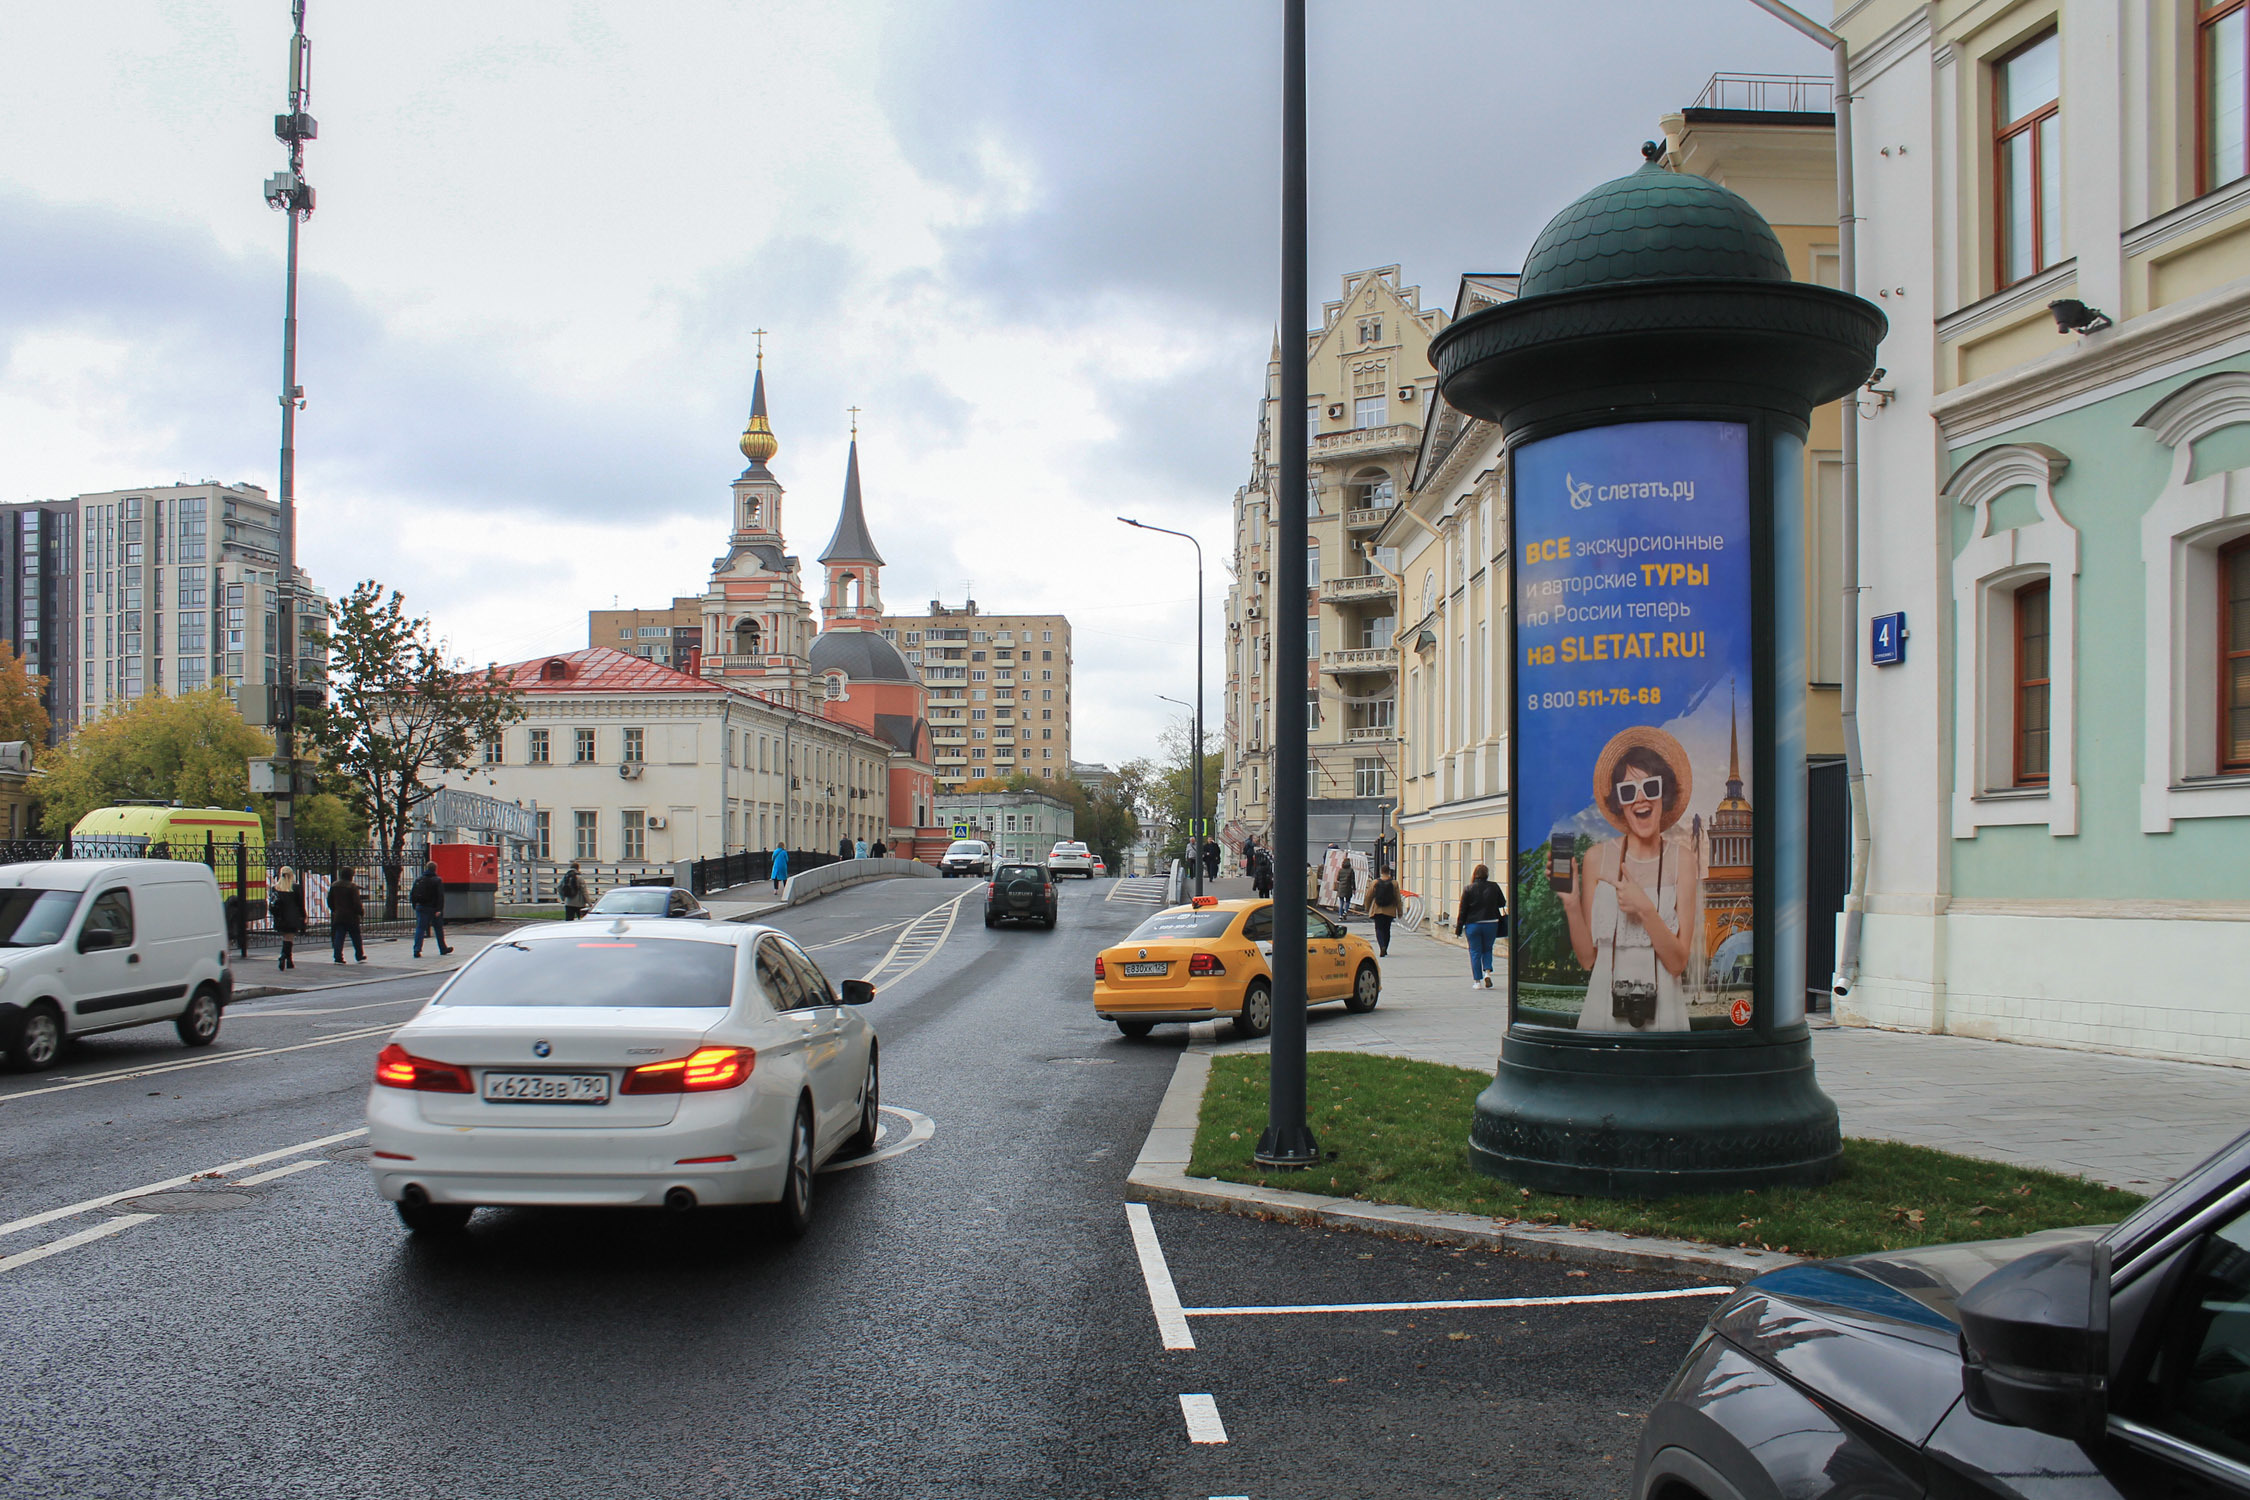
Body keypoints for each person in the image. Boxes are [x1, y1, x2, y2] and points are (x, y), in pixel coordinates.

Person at [1562, 726, 1700, 1032]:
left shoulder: (1683, 861)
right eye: (1628, 792)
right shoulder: (1597, 859)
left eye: (1650, 788)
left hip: (1663, 1013)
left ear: (1664, 793)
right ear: (1619, 804)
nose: (1641, 800)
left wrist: (1645, 910)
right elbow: (1587, 960)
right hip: (1603, 1009)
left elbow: (1678, 963)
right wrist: (1571, 904)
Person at [1457, 863, 1505, 990]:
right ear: (1487, 875)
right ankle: (1487, 973)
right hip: (1491, 923)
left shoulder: (1468, 889)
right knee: (1488, 949)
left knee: (1475, 952)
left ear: (1475, 874)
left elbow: (1463, 910)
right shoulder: (1494, 887)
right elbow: (1502, 903)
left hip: (1473, 924)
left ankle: (1477, 981)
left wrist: (1458, 928)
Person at [410, 861, 451, 959]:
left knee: (420, 928)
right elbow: (440, 896)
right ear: (435, 869)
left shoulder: (419, 879)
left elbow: (412, 893)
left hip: (421, 907)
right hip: (433, 908)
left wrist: (415, 905)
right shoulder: (437, 880)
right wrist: (439, 909)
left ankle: (417, 949)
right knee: (438, 929)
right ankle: (443, 948)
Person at [328, 868, 366, 964]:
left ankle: (338, 957)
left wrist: (334, 910)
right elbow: (356, 902)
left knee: (339, 936)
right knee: (356, 936)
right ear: (350, 876)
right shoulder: (352, 887)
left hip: (339, 915)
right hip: (351, 916)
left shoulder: (334, 885)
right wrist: (360, 912)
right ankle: (359, 955)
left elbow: (329, 900)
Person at [270, 866, 304, 971]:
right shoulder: (295, 888)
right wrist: (303, 916)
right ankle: (283, 956)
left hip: (280, 917)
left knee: (286, 937)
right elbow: (300, 904)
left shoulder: (275, 888)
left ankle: (289, 961)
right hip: (292, 917)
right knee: (289, 938)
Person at [1365, 867, 1402, 957]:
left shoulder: (1375, 882)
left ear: (1381, 872)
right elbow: (1398, 898)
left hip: (1378, 909)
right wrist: (1399, 911)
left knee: (1379, 929)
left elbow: (1368, 896)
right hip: (1390, 910)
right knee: (1387, 929)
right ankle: (1385, 947)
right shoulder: (1394, 883)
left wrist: (1367, 907)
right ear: (1389, 872)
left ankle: (1381, 946)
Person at [1333, 856, 1358, 923]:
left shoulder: (1340, 870)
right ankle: (1345, 911)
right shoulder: (1351, 870)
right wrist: (1354, 889)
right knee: (1347, 901)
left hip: (1341, 887)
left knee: (1341, 902)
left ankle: (1340, 916)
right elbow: (1353, 880)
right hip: (1348, 887)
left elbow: (1338, 879)